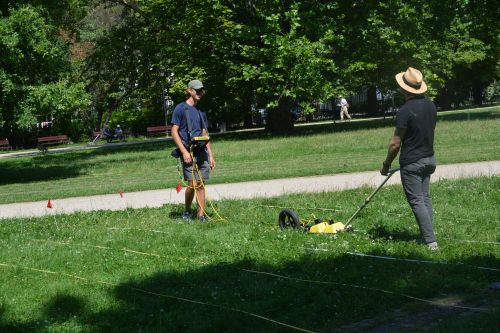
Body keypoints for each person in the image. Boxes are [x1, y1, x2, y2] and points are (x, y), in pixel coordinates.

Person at [380, 67, 438, 250]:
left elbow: (395, 143)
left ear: (404, 89)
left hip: (412, 163)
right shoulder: (431, 105)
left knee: (417, 200)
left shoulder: (405, 110)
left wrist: (386, 165)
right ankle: (426, 236)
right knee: (425, 198)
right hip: (429, 159)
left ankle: (430, 241)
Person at [171, 80, 215, 222]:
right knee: (192, 184)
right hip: (188, 151)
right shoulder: (180, 108)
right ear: (189, 91)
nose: (200, 93)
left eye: (201, 90)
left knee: (201, 184)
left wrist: (211, 156)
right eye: (197, 90)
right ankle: (187, 210)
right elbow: (174, 131)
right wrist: (183, 152)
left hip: (202, 151)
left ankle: (201, 215)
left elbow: (204, 134)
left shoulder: (201, 111)